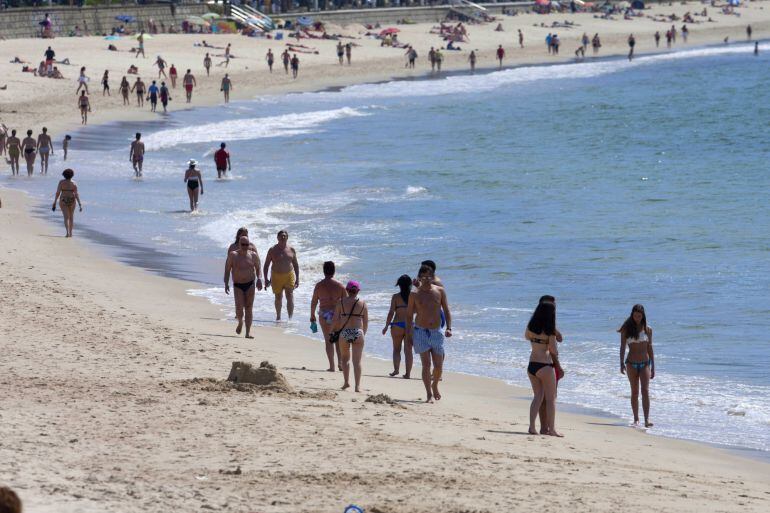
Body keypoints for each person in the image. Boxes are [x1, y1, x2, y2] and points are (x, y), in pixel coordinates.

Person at [406, 265, 452, 403]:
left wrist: (449, 328)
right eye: (423, 277)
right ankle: (428, 394)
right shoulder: (414, 293)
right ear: (419, 278)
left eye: (429, 277)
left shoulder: (440, 291)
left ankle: (435, 385)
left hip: (436, 332)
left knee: (438, 366)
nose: (426, 280)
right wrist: (409, 334)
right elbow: (409, 315)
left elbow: (447, 310)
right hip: (420, 331)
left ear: (433, 277)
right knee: (426, 364)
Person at [526, 295, 564, 434]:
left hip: (532, 365)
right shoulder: (550, 330)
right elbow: (553, 349)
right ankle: (552, 429)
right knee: (550, 399)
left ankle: (532, 427)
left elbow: (526, 337)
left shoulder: (531, 326)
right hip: (545, 366)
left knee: (537, 397)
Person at [619, 304, 655, 427]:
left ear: (643, 316)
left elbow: (650, 348)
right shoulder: (626, 329)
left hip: (645, 363)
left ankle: (646, 420)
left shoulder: (648, 329)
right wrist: (621, 363)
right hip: (631, 364)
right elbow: (623, 347)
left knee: (645, 391)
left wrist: (653, 366)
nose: (637, 318)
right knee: (634, 392)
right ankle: (636, 419)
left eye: (639, 316)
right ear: (632, 315)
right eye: (635, 316)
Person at [331, 280, 368, 392]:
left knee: (345, 359)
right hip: (358, 332)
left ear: (347, 290)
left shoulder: (340, 302)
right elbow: (366, 322)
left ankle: (346, 383)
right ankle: (357, 387)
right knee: (357, 362)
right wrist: (363, 334)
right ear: (358, 291)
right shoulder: (363, 303)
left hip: (345, 332)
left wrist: (332, 331)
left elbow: (335, 320)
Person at [224, 235, 263, 339]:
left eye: (247, 244)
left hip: (250, 284)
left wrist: (259, 279)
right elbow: (227, 269)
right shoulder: (233, 255)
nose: (245, 246)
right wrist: (226, 283)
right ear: (239, 244)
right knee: (239, 307)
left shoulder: (253, 255)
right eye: (243, 244)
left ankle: (247, 333)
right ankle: (240, 322)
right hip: (238, 285)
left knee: (249, 308)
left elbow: (259, 268)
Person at [310, 261, 347, 372]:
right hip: (336, 315)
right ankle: (340, 364)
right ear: (334, 271)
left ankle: (332, 366)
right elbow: (345, 303)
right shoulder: (340, 286)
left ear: (324, 271)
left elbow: (314, 302)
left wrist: (312, 314)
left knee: (328, 340)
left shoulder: (319, 286)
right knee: (338, 339)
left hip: (324, 314)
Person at [263, 230, 300, 321]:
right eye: (281, 236)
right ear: (277, 238)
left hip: (289, 275)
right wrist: (266, 279)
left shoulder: (291, 250)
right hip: (276, 276)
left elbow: (295, 264)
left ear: (287, 237)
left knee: (290, 296)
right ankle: (278, 317)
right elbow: (266, 265)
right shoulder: (272, 250)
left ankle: (290, 318)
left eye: (285, 236)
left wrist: (298, 279)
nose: (283, 237)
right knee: (278, 297)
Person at [382, 274, 413, 379]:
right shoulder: (414, 296)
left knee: (396, 349)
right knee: (408, 350)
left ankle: (396, 370)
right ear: (410, 284)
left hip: (397, 325)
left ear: (399, 285)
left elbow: (391, 312)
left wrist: (386, 326)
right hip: (409, 325)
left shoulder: (395, 297)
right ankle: (408, 373)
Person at [52, 168, 82, 237]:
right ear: (72, 175)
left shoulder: (61, 182)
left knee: (66, 217)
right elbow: (76, 194)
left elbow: (58, 193)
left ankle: (67, 232)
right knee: (71, 217)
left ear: (64, 175)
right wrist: (80, 204)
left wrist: (54, 202)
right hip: (72, 200)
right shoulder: (74, 183)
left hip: (63, 200)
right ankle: (71, 233)